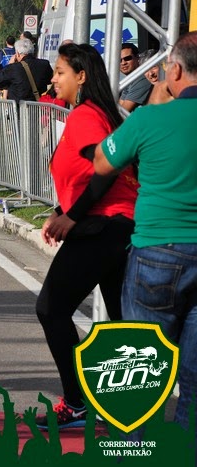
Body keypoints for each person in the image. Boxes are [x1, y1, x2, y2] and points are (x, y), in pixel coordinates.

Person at [94, 32, 197, 435]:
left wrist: (154, 103)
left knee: (139, 378)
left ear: (174, 70)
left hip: (158, 250)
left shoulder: (150, 119)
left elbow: (102, 161)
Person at [35, 42, 138, 430]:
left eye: (60, 72)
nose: (54, 78)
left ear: (81, 76)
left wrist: (73, 217)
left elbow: (109, 170)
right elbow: (90, 175)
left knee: (51, 309)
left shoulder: (85, 115)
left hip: (105, 227)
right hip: (115, 226)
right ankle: (128, 409)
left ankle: (79, 402)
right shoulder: (95, 114)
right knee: (127, 324)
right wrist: (63, 212)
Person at [0, 37, 53, 103]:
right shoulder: (44, 64)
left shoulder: (13, 68)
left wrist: (9, 64)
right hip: (39, 107)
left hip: (19, 108)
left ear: (17, 54)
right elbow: (50, 80)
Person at [118, 42, 152, 113]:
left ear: (137, 58)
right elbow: (120, 106)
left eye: (127, 58)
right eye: (119, 60)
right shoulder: (129, 80)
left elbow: (122, 112)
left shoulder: (142, 78)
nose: (123, 63)